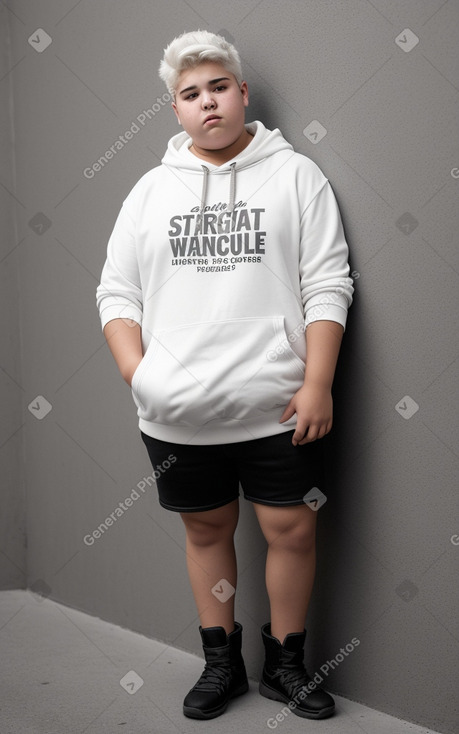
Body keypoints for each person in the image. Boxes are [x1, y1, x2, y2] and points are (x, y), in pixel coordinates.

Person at [96, 30, 354, 722]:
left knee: (291, 530)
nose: (206, 102)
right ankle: (221, 667)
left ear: (241, 94)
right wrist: (138, 374)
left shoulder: (296, 176)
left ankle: (287, 667)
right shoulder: (150, 191)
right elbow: (116, 294)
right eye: (189, 94)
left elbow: (328, 283)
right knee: (206, 533)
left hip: (277, 404)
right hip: (176, 410)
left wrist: (318, 382)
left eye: (217, 87)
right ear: (175, 111)